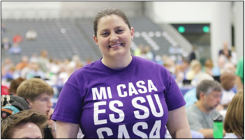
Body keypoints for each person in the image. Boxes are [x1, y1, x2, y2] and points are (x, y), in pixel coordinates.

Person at [52, 7, 192, 138]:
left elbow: (180, 129)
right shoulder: (78, 80)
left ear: (131, 33)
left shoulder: (159, 73)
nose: (113, 37)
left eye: (119, 31)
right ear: (96, 39)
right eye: (105, 33)